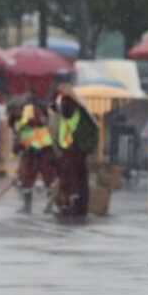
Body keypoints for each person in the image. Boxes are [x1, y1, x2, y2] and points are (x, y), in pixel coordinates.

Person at [53, 85, 97, 221]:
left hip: (74, 151)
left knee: (73, 180)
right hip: (72, 151)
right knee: (75, 180)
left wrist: (77, 148)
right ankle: (75, 206)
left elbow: (85, 134)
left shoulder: (74, 110)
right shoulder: (73, 112)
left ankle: (73, 205)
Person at [9, 94, 56, 214]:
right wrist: (17, 148)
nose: (15, 113)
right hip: (29, 152)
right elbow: (20, 137)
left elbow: (41, 121)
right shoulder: (16, 122)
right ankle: (27, 205)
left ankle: (50, 204)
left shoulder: (32, 113)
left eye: (16, 110)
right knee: (26, 178)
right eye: (13, 111)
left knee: (48, 177)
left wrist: (30, 121)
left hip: (44, 150)